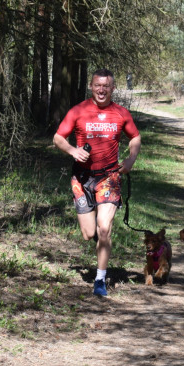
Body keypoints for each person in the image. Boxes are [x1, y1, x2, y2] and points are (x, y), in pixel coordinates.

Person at [53, 68, 141, 297]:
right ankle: (100, 239)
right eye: (97, 85)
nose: (101, 90)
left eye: (106, 86)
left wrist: (130, 159)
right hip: (81, 179)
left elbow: (135, 137)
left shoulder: (121, 113)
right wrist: (73, 150)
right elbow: (58, 137)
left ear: (112, 88)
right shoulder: (79, 110)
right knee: (88, 232)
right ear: (91, 87)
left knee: (104, 228)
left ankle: (100, 280)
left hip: (109, 177)